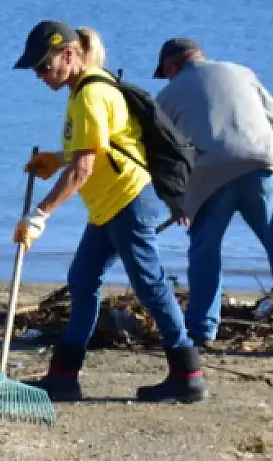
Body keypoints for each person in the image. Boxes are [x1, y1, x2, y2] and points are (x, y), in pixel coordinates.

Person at [11, 21, 205, 404]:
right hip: (108, 206)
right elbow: (98, 147)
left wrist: (40, 214)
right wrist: (57, 158)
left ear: (69, 54)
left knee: (149, 285)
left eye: (43, 67)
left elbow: (83, 169)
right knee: (83, 281)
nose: (39, 75)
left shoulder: (91, 95)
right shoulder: (84, 89)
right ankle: (65, 377)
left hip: (128, 201)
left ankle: (187, 372)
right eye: (35, 69)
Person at [152, 37, 273, 354]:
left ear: (173, 65)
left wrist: (174, 199)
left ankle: (202, 330)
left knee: (205, 252)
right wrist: (254, 146)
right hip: (260, 164)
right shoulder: (240, 72)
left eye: (167, 73)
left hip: (206, 175)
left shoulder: (168, 95)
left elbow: (160, 151)